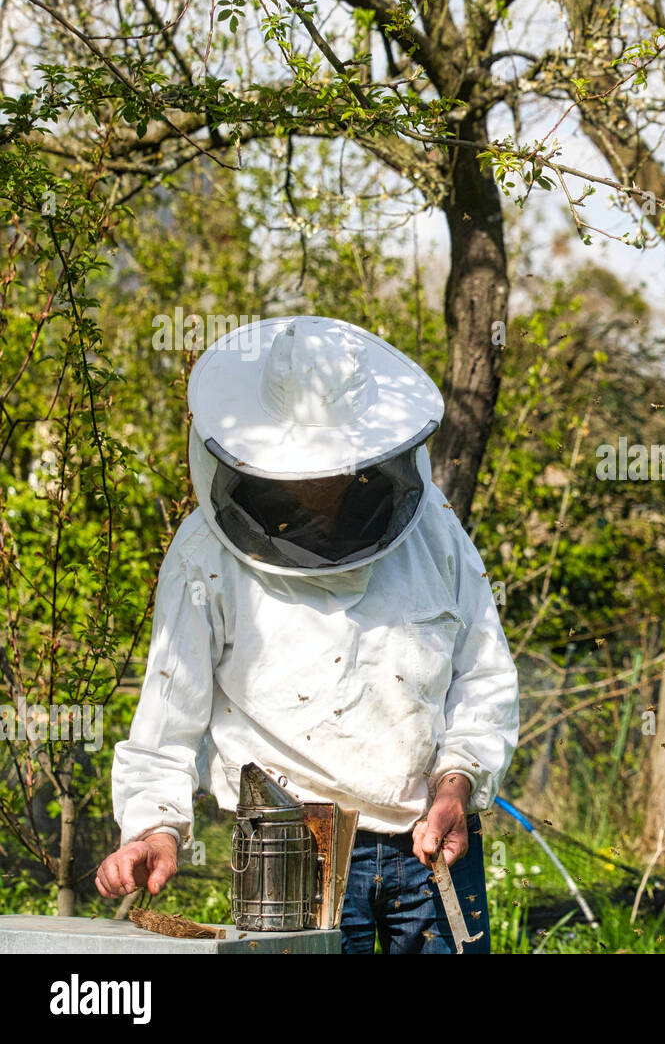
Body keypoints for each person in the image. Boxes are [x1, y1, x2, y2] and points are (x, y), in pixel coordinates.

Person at [94, 316, 519, 954]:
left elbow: (483, 675)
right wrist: (155, 827)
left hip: (434, 845)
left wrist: (458, 781)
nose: (319, 485)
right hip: (288, 854)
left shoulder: (436, 532)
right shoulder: (205, 554)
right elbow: (167, 717)